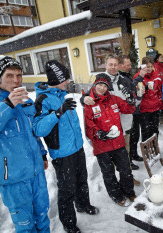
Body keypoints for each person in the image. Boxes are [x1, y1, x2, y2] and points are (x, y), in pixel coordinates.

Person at [0, 55, 50, 233]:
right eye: (9, 75)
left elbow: (33, 132)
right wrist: (7, 104)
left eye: (19, 75)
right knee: (25, 225)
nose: (16, 80)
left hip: (36, 173)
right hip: (12, 177)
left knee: (43, 216)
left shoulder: (26, 100)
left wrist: (42, 154)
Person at [33, 60, 98, 233]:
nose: (68, 82)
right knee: (67, 190)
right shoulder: (43, 99)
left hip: (77, 148)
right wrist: (57, 113)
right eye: (65, 79)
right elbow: (38, 128)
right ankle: (69, 224)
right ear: (56, 80)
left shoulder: (62, 95)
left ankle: (83, 205)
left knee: (82, 181)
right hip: (62, 154)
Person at [81, 55, 142, 173]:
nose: (113, 67)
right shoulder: (101, 80)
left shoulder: (125, 80)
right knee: (112, 159)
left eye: (115, 64)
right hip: (108, 129)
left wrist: (133, 98)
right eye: (110, 64)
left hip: (124, 124)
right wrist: (83, 99)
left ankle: (128, 177)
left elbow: (132, 98)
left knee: (126, 154)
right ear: (106, 65)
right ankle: (115, 182)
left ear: (119, 65)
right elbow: (89, 96)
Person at [84, 73, 136, 207]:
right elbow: (89, 127)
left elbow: (128, 109)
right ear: (95, 85)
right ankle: (117, 196)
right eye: (99, 85)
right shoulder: (89, 103)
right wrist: (99, 133)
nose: (101, 88)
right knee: (109, 174)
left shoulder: (114, 99)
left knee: (125, 169)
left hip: (118, 143)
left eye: (105, 86)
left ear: (108, 87)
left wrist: (131, 101)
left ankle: (129, 192)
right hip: (102, 146)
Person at [133, 56, 163, 142]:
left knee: (155, 130)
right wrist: (145, 88)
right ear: (143, 66)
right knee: (146, 132)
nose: (149, 69)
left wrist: (160, 103)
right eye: (147, 67)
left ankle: (155, 148)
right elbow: (136, 93)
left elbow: (159, 91)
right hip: (144, 109)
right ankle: (147, 151)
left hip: (155, 107)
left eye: (151, 66)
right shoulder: (138, 76)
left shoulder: (156, 75)